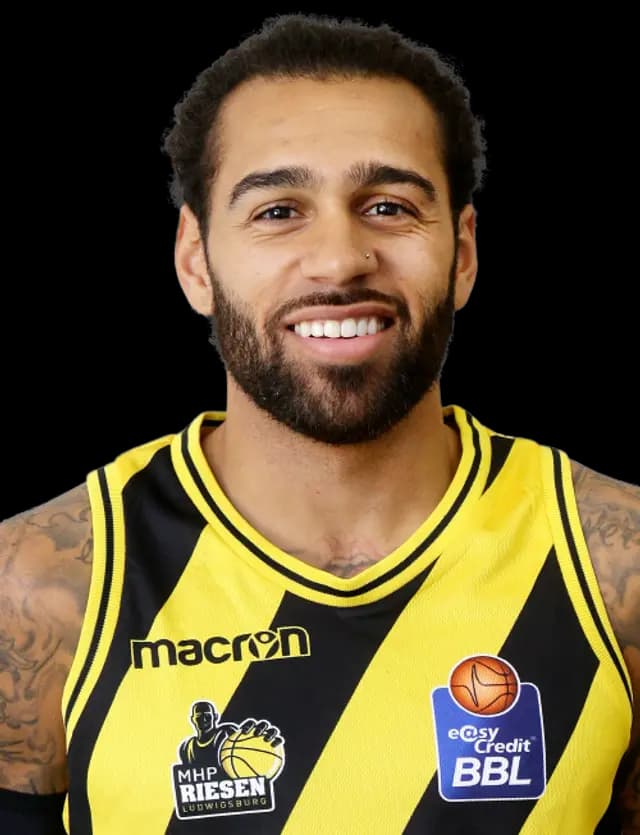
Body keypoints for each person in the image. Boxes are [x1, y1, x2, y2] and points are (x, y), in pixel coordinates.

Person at [0, 12, 637, 834]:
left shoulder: (616, 565)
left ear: (464, 252)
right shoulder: (40, 585)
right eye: (277, 210)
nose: (340, 259)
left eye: (388, 205)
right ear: (195, 260)